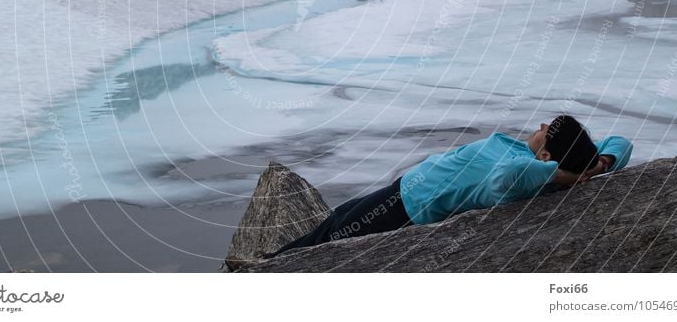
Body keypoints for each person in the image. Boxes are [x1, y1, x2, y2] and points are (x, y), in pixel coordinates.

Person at [262, 114, 633, 259]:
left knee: (333, 241)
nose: (538, 125)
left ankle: (267, 270)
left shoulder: (520, 176)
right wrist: (600, 164)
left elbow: (506, 178)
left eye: (545, 130)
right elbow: (621, 142)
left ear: (549, 154)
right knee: (334, 220)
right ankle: (267, 263)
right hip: (404, 188)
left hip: (408, 209)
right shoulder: (529, 156)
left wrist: (558, 175)